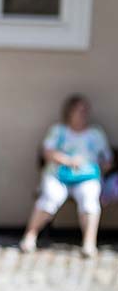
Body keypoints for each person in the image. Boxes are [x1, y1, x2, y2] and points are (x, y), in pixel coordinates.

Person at [19, 95, 113, 258]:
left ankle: (89, 243)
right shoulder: (58, 131)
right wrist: (68, 161)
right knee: (51, 197)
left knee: (89, 198)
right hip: (58, 175)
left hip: (86, 178)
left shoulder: (95, 133)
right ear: (69, 112)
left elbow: (107, 159)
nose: (83, 114)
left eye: (85, 110)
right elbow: (47, 152)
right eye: (79, 110)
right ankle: (30, 235)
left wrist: (101, 167)